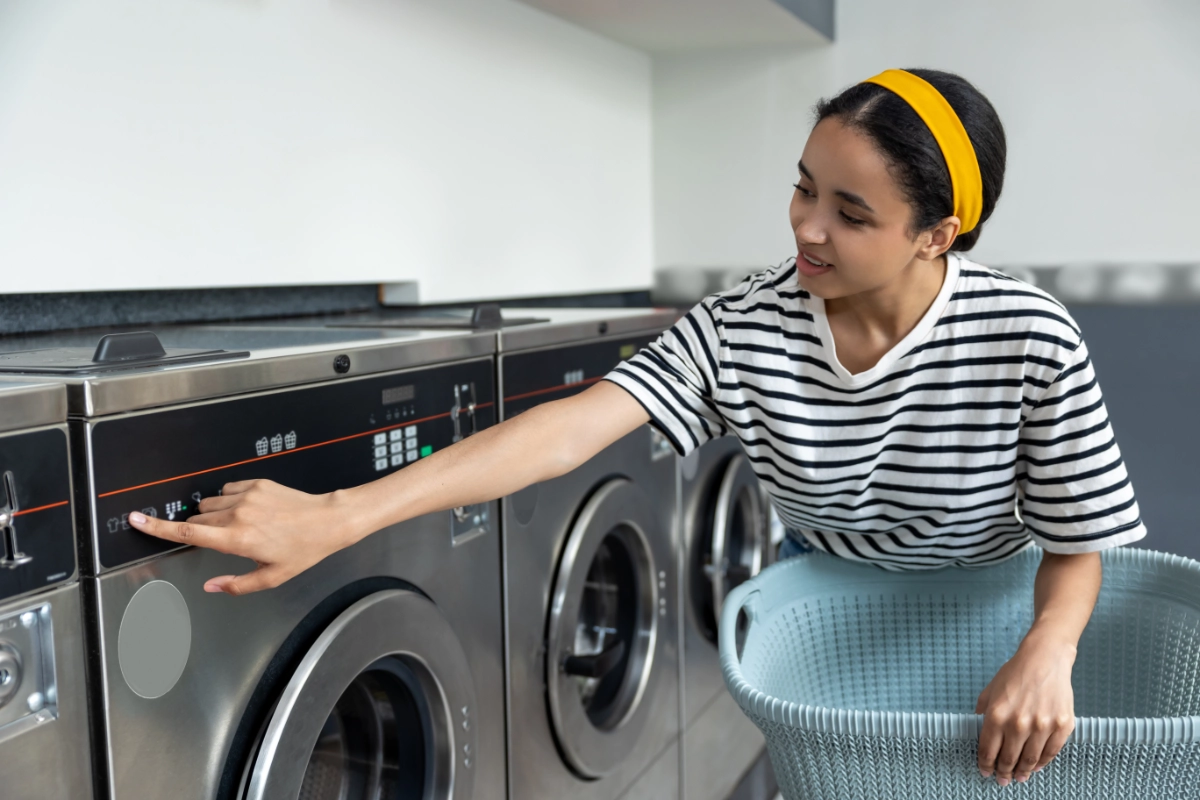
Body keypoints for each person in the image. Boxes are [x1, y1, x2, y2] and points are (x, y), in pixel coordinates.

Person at [128, 68, 1144, 789]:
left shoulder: (1027, 337)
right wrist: (341, 514)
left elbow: (1078, 539)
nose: (806, 226)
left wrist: (1048, 649)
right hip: (827, 614)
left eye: (851, 212)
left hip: (994, 618)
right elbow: (571, 429)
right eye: (802, 186)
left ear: (937, 235)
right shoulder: (748, 324)